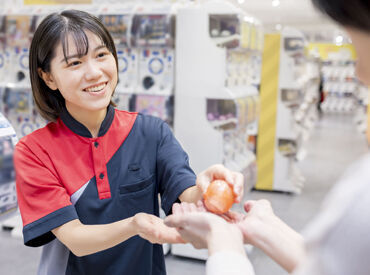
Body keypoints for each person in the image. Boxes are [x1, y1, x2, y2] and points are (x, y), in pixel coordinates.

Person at [13, 10, 244, 275]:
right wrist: (135, 225)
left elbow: (187, 193)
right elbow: (75, 238)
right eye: (75, 63)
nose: (94, 72)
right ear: (48, 77)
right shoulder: (34, 151)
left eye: (101, 55)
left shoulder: (151, 132)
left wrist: (208, 187)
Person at [165, 0, 370, 274]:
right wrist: (266, 229)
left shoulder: (360, 199)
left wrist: (223, 242)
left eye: (359, 47)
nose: (359, 73)